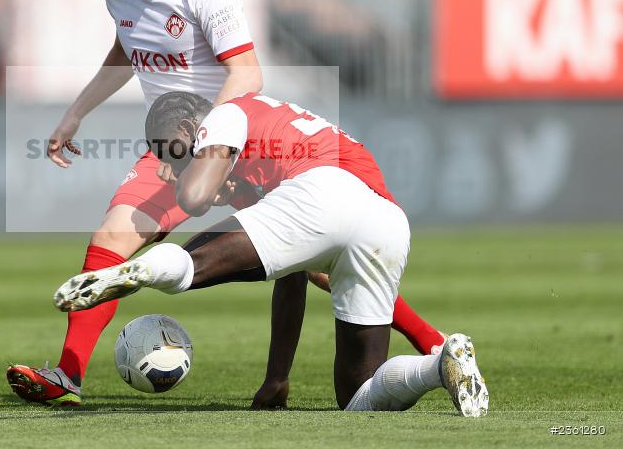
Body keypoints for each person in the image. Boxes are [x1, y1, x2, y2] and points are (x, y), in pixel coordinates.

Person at [8, 0, 444, 407]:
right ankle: (68, 375)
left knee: (321, 267)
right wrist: (77, 112)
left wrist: (205, 142)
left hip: (235, 149)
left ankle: (433, 344)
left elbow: (247, 74)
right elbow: (127, 49)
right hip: (172, 152)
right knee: (110, 237)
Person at [53, 91, 489, 417]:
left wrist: (185, 180)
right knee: (359, 395)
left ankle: (138, 271)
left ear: (188, 127)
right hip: (385, 218)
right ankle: (441, 365)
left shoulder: (224, 115)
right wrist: (278, 376)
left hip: (323, 190)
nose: (169, 164)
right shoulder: (268, 151)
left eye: (170, 150)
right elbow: (291, 280)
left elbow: (193, 196)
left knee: (193, 266)